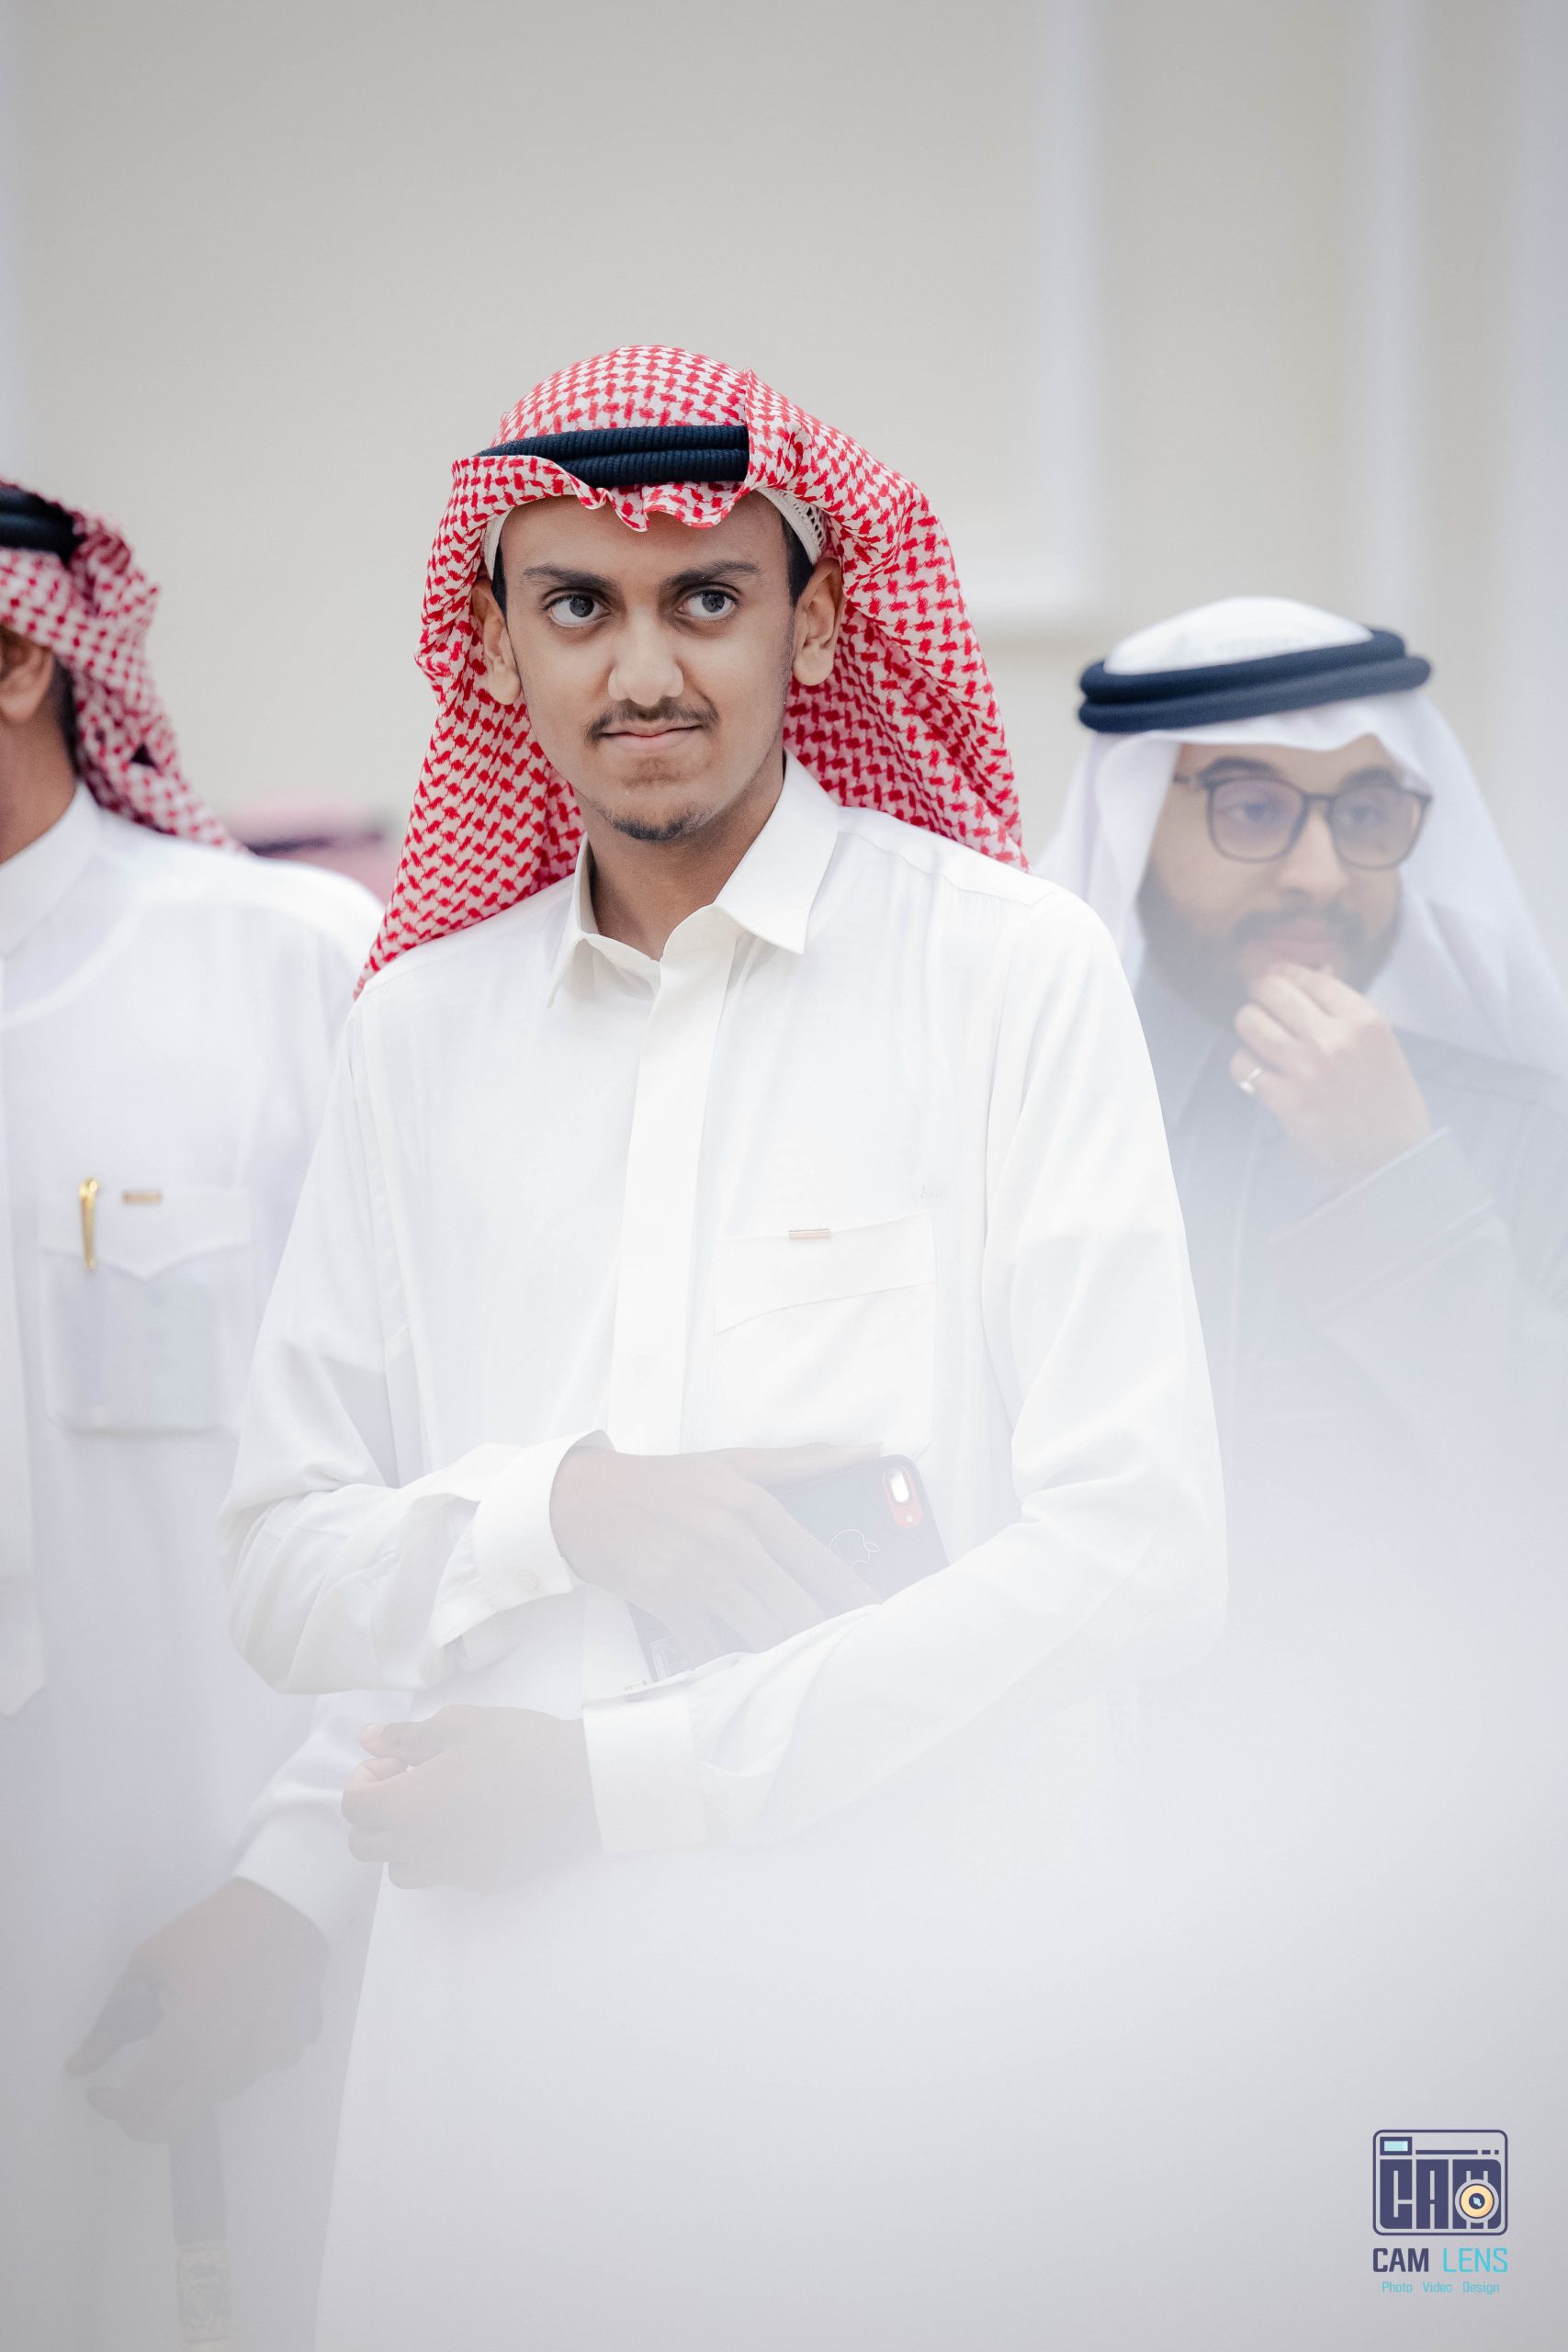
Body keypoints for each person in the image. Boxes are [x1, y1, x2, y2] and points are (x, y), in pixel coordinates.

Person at [218, 346, 1224, 2351]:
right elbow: (277, 1566)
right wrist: (561, 1512)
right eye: (576, 605)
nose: (644, 669)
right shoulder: (419, 1034)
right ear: (493, 647)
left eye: (704, 597)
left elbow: (1141, 1550)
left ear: (814, 624)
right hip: (512, 2063)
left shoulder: (1005, 974)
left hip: (906, 2033)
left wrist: (619, 1784)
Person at [0, 483, 381, 2350]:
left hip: (204, 1939)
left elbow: (429, 1467)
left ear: (19, 657)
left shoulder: (277, 966)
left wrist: (297, 1885)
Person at [1047, 594, 1568, 1823]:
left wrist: (1401, 1178)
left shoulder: (1525, 1132)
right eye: (1252, 808)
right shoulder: (1042, 1125)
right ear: (1135, 822)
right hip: (1088, 1841)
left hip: (1430, 1847)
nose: (1320, 873)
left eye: (1365, 815)